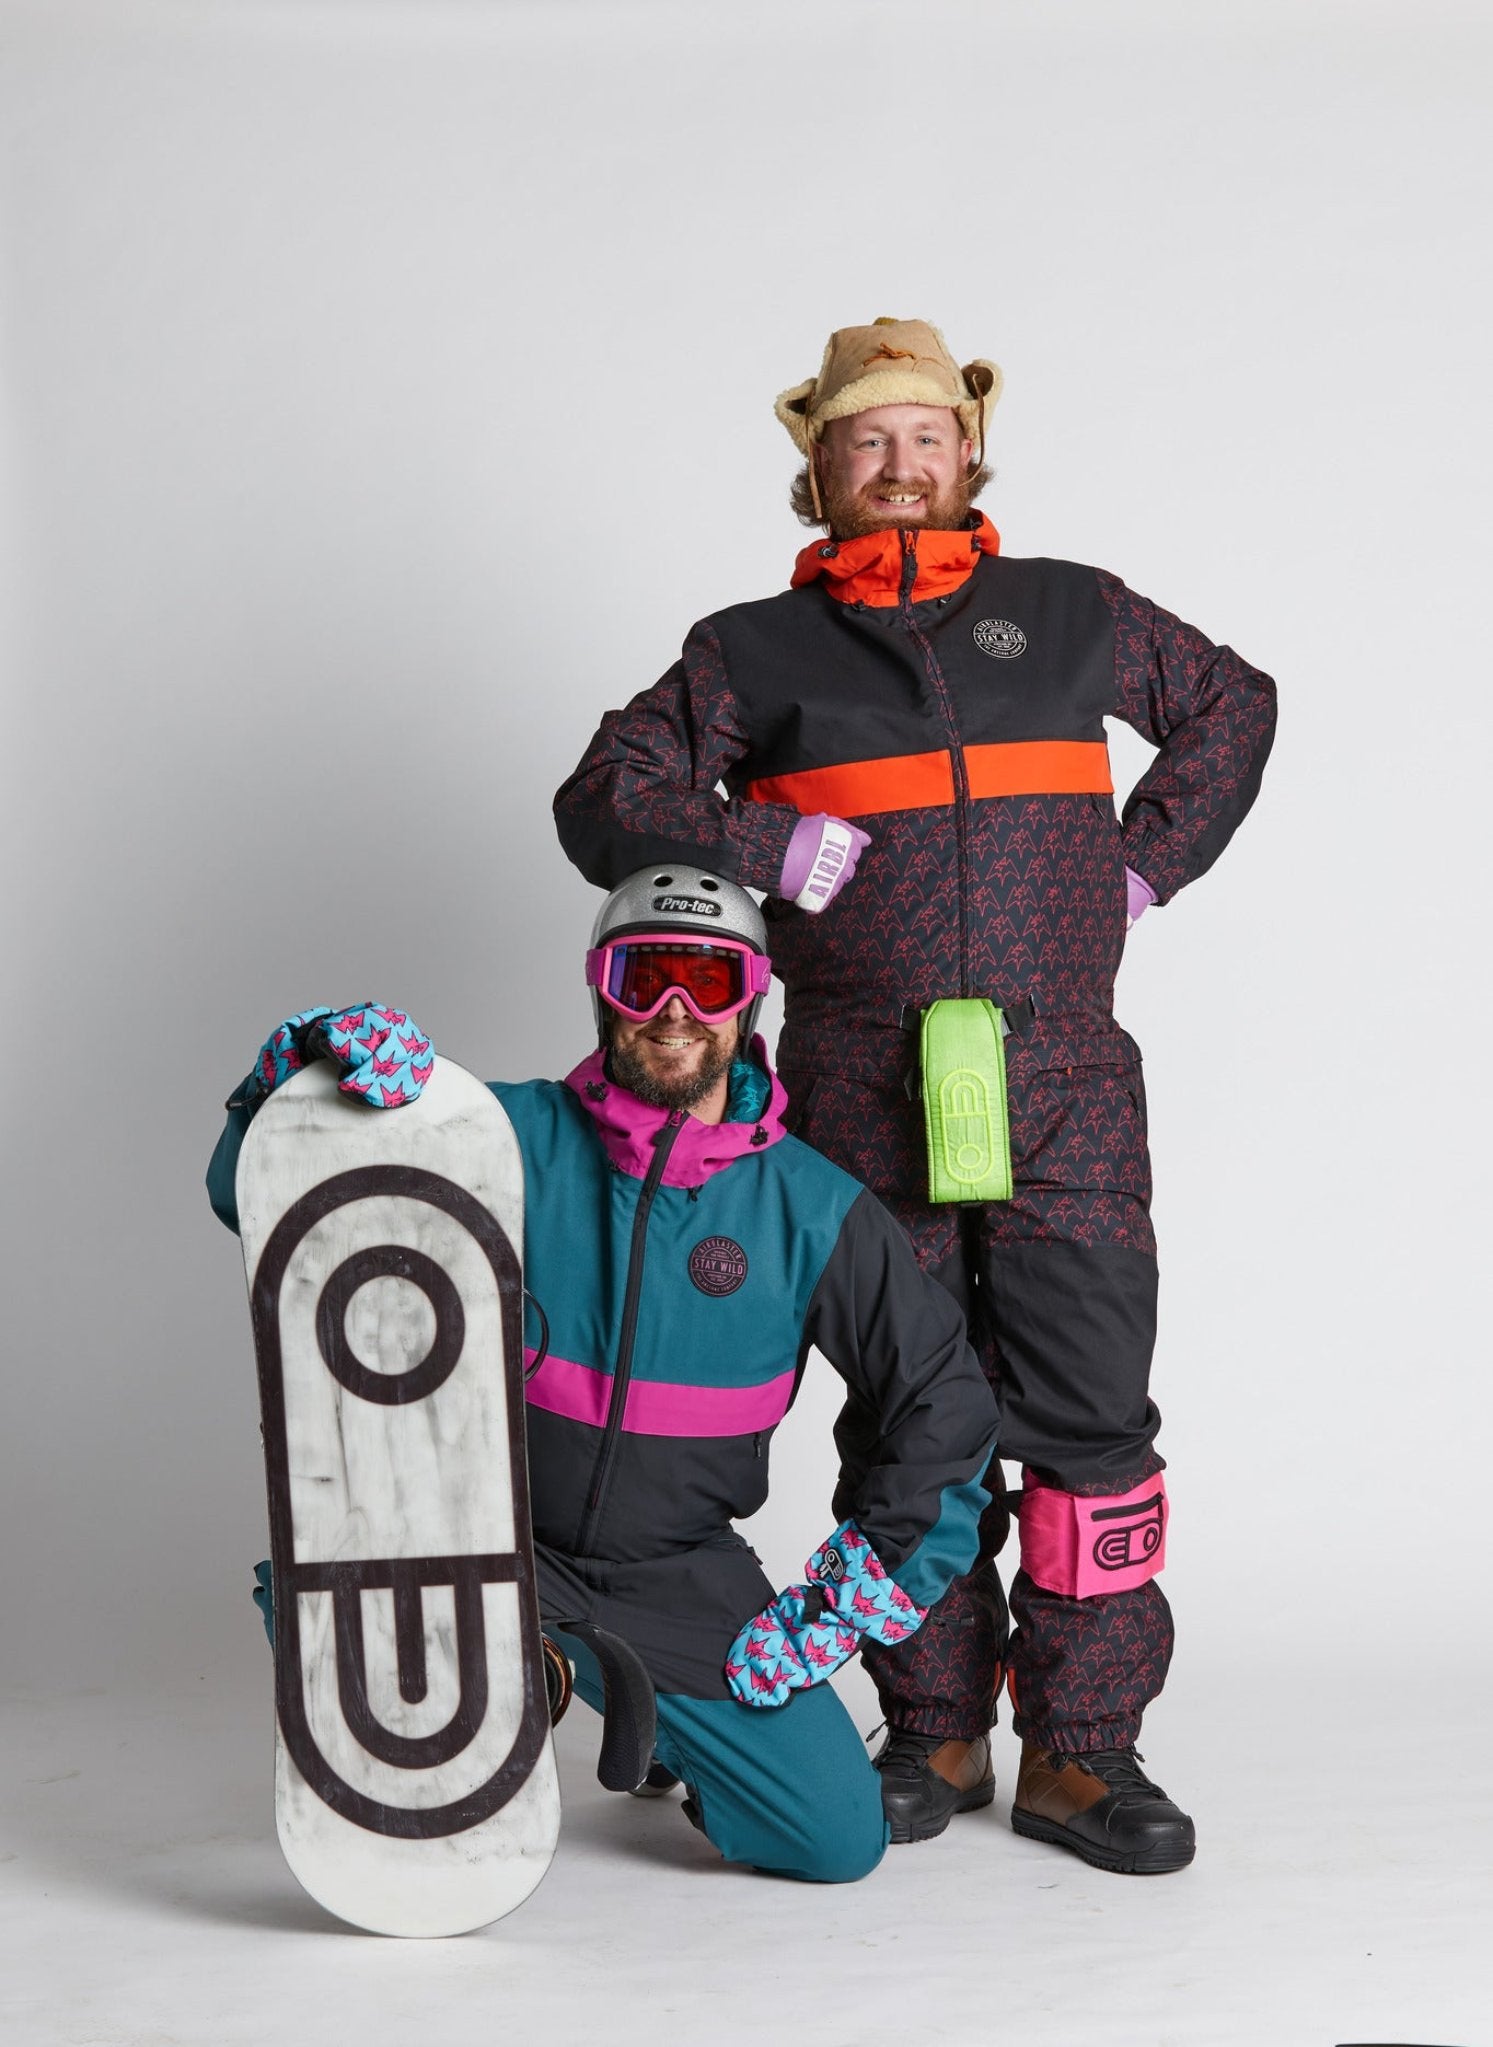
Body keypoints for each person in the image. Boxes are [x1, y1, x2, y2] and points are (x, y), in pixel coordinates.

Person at [553, 317, 1278, 1875]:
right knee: (904, 1414)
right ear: (816, 474)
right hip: (859, 1092)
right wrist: (766, 851)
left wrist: (1141, 858)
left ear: (968, 454)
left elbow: (1235, 704)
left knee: (1091, 1424)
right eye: (864, 443)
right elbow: (603, 794)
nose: (900, 464)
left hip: (1066, 1084)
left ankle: (1086, 1753)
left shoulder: (1072, 613)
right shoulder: (748, 651)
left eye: (925, 437)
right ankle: (932, 1726)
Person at [206, 865, 997, 1885]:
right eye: (644, 977)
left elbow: (943, 1401)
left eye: (706, 983)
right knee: (373, 1633)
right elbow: (256, 1197)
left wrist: (849, 1598)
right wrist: (300, 1076)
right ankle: (517, 1656)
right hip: (484, 1530)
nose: (673, 1012)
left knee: (836, 1842)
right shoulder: (498, 1134)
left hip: (672, 1568)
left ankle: (647, 1711)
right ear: (599, 987)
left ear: (750, 997)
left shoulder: (811, 1207)